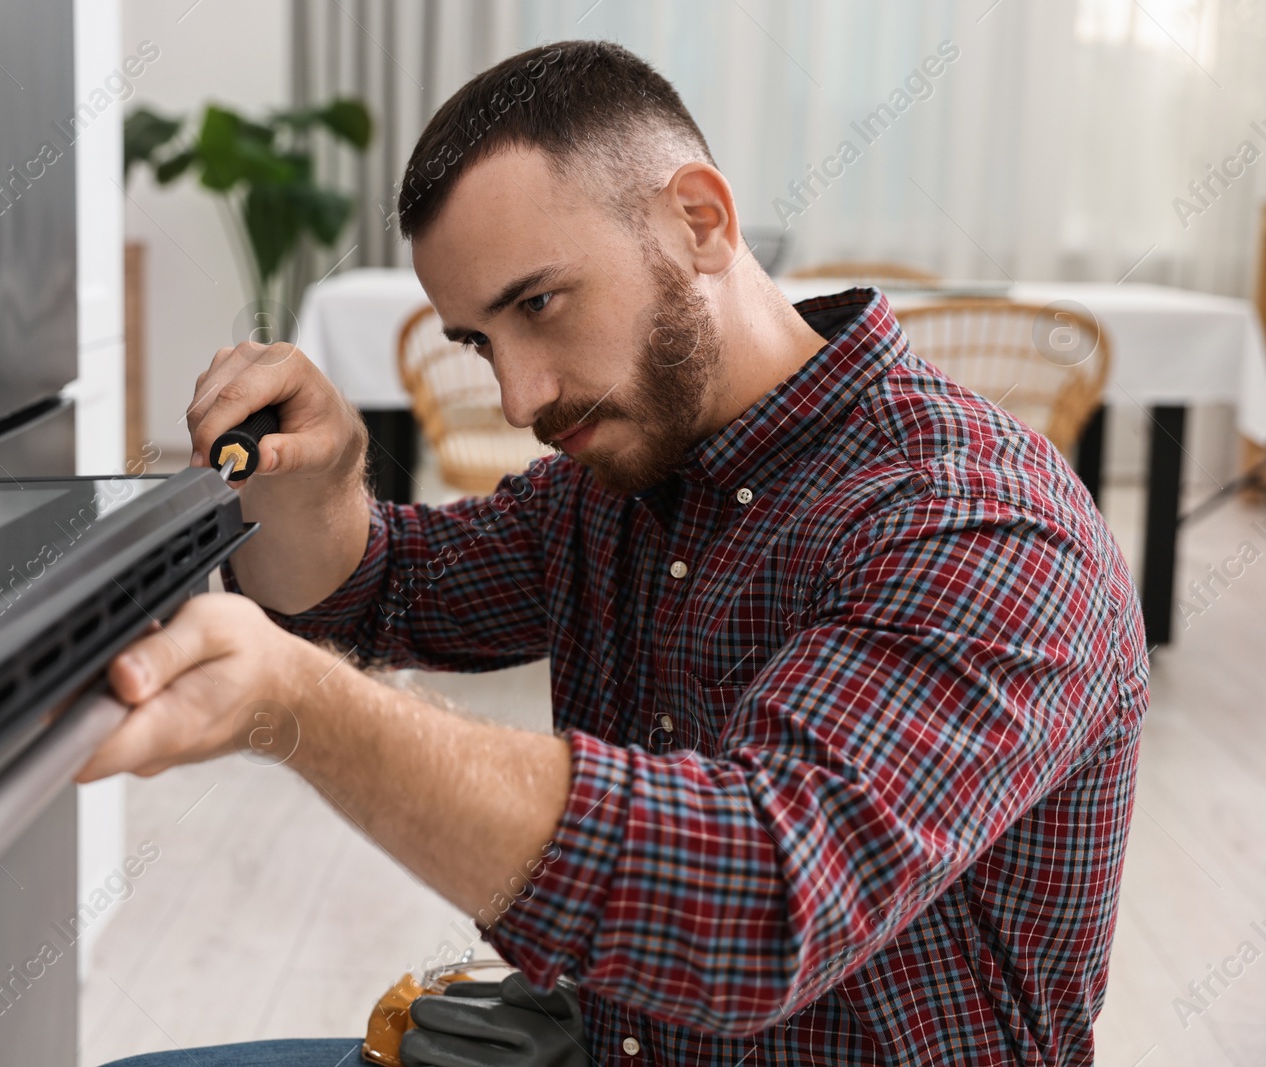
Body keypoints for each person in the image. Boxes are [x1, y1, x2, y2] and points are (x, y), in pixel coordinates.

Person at [79, 39, 1147, 1067]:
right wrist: (312, 485)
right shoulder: (626, 476)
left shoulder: (973, 522)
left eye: (538, 304)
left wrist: (298, 705)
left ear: (699, 220)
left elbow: (762, 898)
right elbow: (384, 586)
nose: (519, 395)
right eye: (480, 341)